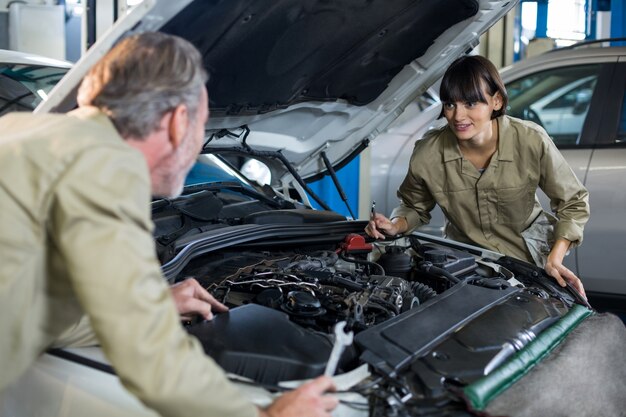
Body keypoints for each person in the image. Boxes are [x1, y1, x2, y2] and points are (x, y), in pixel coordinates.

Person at [0, 32, 337, 417]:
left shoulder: (24, 134)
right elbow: (152, 359)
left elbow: (24, 310)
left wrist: (147, 305)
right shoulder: (100, 166)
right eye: (203, 125)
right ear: (179, 121)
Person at [366, 55, 589, 297]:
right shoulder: (428, 153)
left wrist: (555, 258)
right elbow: (413, 206)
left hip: (529, 265)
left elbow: (573, 202)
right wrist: (395, 225)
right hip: (466, 267)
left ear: (496, 101)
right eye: (450, 104)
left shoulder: (530, 140)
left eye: (470, 103)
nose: (458, 116)